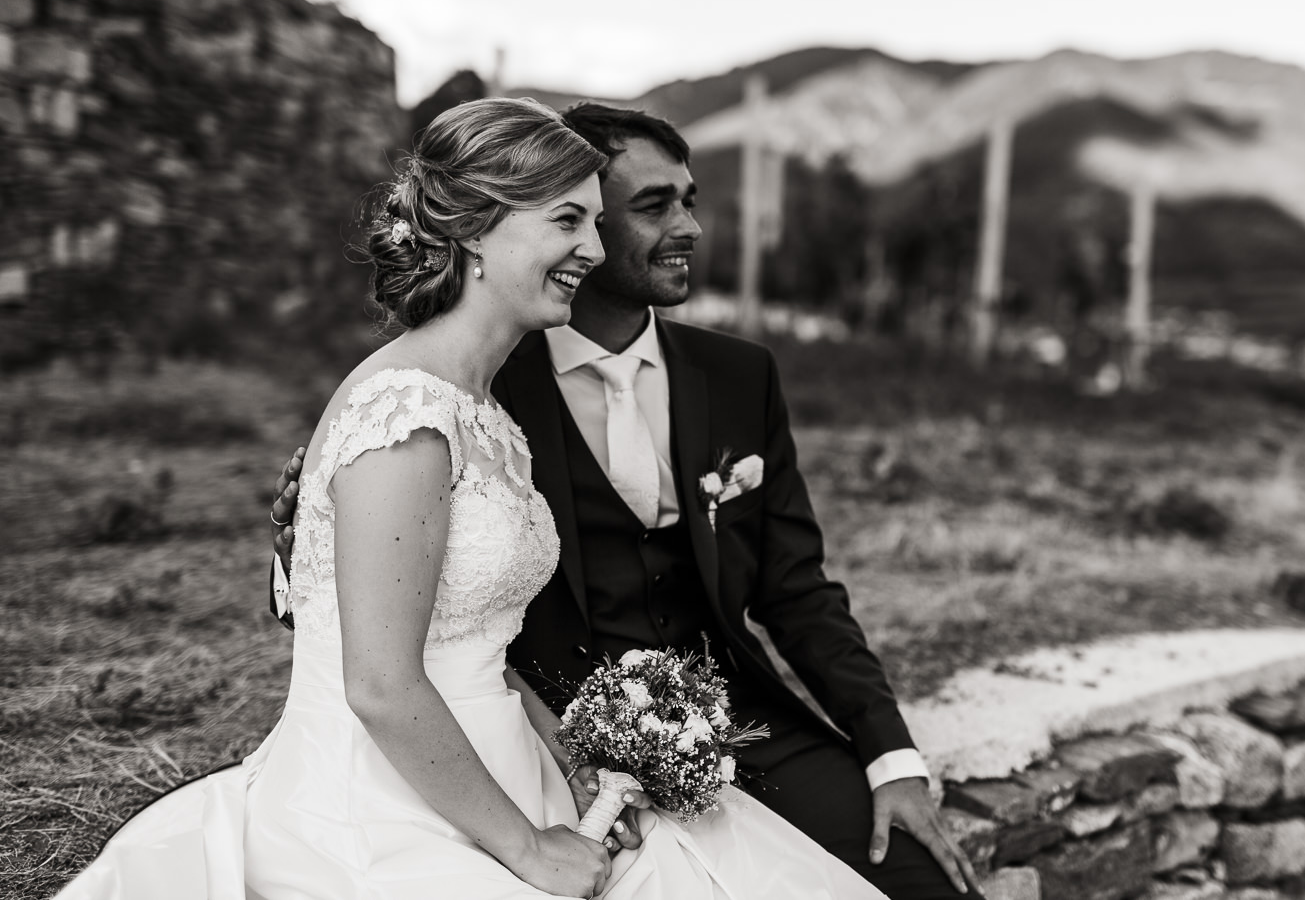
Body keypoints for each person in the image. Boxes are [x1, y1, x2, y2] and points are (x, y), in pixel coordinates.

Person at [59, 97, 887, 900]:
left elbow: (481, 643)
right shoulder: (409, 416)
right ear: (477, 232)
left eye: (595, 223)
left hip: (505, 760)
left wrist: (570, 761)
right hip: (383, 803)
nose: (594, 251)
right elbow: (381, 684)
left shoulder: (483, 408)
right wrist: (529, 849)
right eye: (567, 221)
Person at [271, 103, 980, 899]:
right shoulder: (455, 388)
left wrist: (891, 754)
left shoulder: (727, 377)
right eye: (610, 213)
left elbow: (798, 586)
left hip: (689, 725)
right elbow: (376, 643)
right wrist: (302, 545)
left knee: (921, 884)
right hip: (507, 746)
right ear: (479, 227)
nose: (678, 228)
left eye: (688, 201)